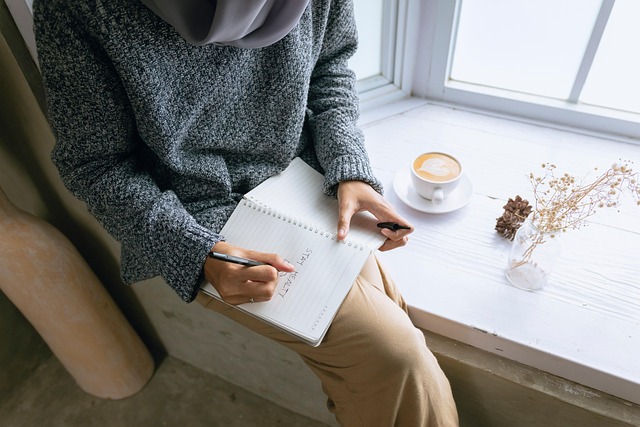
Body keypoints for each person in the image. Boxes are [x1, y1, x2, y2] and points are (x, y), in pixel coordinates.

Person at [33, 0, 459, 425]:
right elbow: (95, 164)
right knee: (394, 356)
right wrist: (196, 253)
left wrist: (350, 171)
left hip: (301, 176)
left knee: (389, 355)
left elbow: (329, 67)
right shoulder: (79, 7)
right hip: (196, 215)